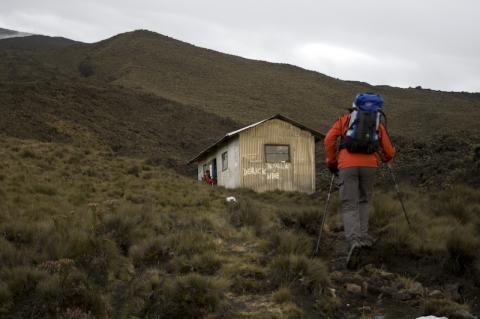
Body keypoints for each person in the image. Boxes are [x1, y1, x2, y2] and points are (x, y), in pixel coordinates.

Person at [324, 93, 395, 269]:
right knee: (364, 201)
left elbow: (328, 140)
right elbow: (388, 150)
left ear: (355, 105)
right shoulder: (377, 123)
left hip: (347, 165)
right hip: (370, 166)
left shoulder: (345, 120)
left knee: (349, 204)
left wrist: (332, 162)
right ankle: (363, 238)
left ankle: (354, 241)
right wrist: (387, 158)